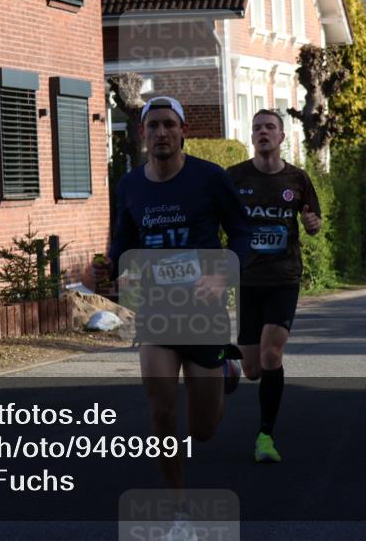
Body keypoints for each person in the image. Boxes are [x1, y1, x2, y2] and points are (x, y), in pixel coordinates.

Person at [83, 97, 250, 509]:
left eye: (169, 125)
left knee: (202, 430)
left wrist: (221, 275)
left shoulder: (210, 178)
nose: (161, 132)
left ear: (183, 131)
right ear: (142, 133)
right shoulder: (129, 186)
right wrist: (112, 268)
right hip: (157, 313)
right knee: (161, 412)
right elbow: (123, 243)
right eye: (153, 125)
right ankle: (177, 502)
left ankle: (225, 367)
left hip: (204, 315)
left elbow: (243, 234)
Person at [227, 109, 321, 464]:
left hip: (284, 277)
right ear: (252, 137)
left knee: (271, 354)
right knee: (253, 369)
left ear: (282, 137)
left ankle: (265, 436)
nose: (263, 132)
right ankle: (229, 364)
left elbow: (313, 221)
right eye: (257, 128)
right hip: (247, 279)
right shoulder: (234, 178)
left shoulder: (297, 178)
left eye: (270, 127)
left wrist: (312, 223)